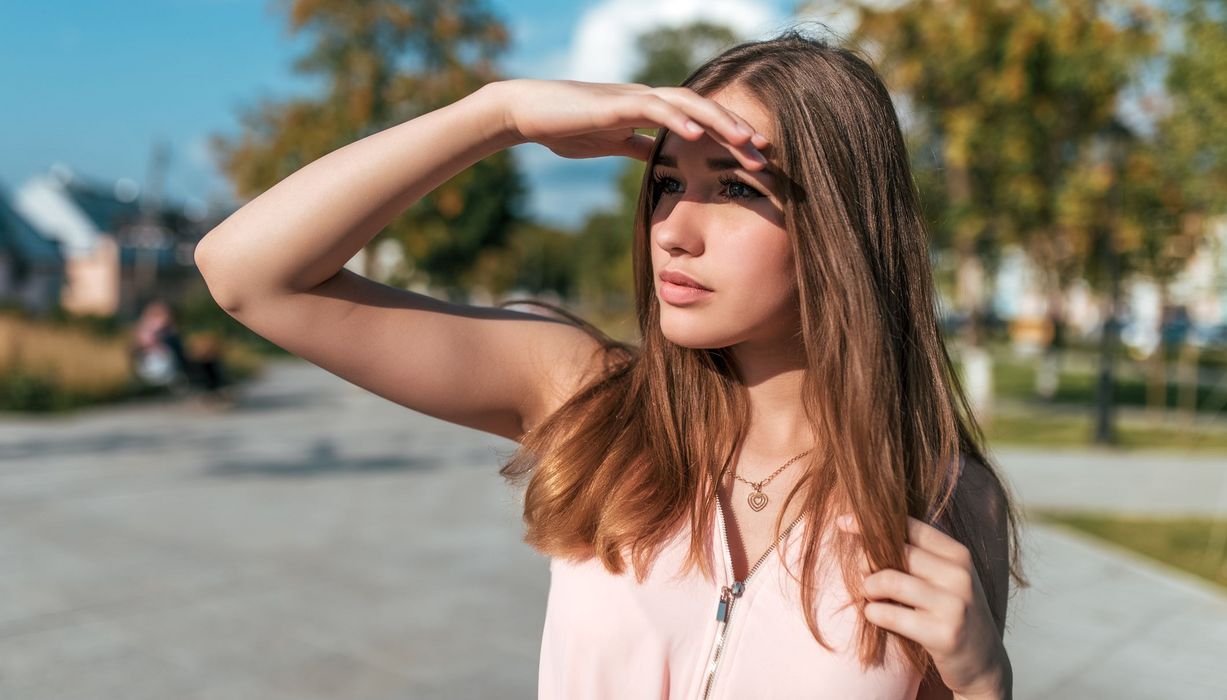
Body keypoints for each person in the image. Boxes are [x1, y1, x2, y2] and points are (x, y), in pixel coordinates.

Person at [195, 26, 1028, 699]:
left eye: (735, 190)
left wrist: (985, 687)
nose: (673, 227)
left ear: (842, 229)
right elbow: (248, 275)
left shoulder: (945, 499)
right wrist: (499, 114)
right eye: (667, 183)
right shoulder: (588, 398)